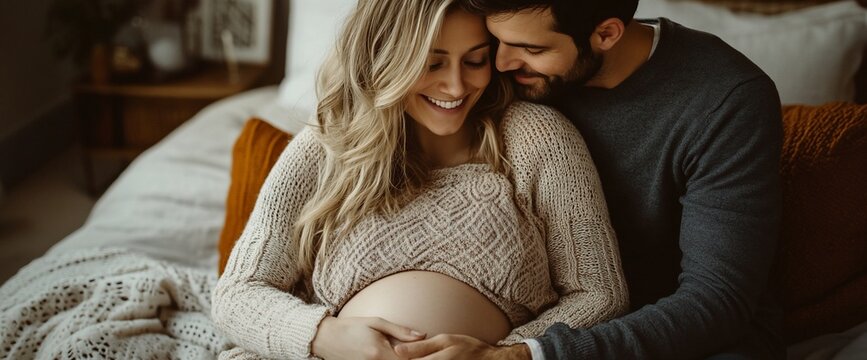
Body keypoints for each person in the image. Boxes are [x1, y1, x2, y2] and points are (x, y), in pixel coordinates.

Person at [211, 0, 629, 359]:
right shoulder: (328, 145)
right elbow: (237, 293)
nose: (456, 85)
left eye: (475, 61)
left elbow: (600, 294)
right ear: (385, 59)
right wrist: (325, 335)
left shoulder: (537, 137)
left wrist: (502, 355)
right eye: (431, 64)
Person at [394, 1, 784, 359]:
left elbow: (718, 302)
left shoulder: (726, 99)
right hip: (543, 324)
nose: (501, 63)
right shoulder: (502, 73)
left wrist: (519, 355)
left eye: (531, 49)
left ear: (606, 34)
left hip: (685, 338)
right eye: (495, 43)